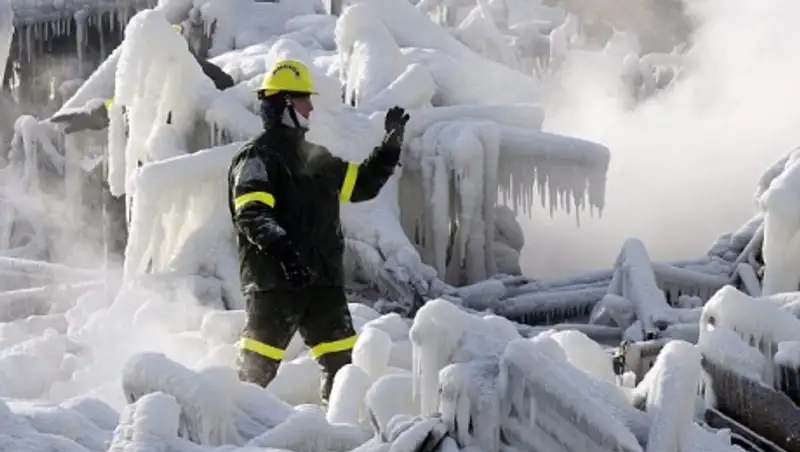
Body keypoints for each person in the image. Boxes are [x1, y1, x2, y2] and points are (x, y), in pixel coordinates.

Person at [227, 58, 409, 403]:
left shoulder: (316, 157)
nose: (311, 107)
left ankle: (338, 437)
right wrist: (286, 255)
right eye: (302, 99)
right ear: (282, 104)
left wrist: (390, 148)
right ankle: (221, 435)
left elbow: (360, 185)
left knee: (344, 371)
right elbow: (251, 214)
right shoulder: (257, 157)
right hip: (275, 285)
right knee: (252, 377)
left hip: (322, 285)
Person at [49, 24, 234, 134]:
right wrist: (94, 115)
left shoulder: (209, 75)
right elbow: (123, 105)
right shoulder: (150, 82)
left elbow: (228, 100)